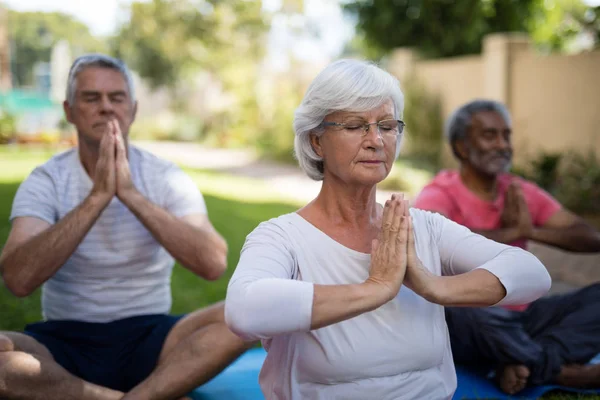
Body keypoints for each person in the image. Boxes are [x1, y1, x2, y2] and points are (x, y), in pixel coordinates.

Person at [224, 59, 551, 400]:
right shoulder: (282, 237)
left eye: (387, 125)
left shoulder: (421, 228)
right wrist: (376, 288)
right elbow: (243, 309)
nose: (375, 140)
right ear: (316, 141)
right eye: (354, 126)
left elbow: (533, 274)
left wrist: (433, 285)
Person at [0, 54, 250, 400]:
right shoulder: (46, 180)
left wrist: (130, 194)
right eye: (91, 98)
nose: (106, 107)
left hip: (153, 338)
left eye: (116, 98)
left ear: (131, 109)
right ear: (69, 111)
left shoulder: (164, 176)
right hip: (63, 341)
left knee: (249, 314)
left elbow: (213, 263)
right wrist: (97, 197)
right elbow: (17, 278)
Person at [414, 99, 600, 394]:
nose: (503, 145)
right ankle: (561, 372)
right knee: (458, 305)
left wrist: (531, 231)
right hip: (470, 323)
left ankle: (517, 360)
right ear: (461, 146)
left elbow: (590, 237)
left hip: (525, 317)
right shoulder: (439, 193)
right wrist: (509, 231)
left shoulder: (518, 190)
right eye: (490, 135)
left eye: (506, 135)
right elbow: (430, 240)